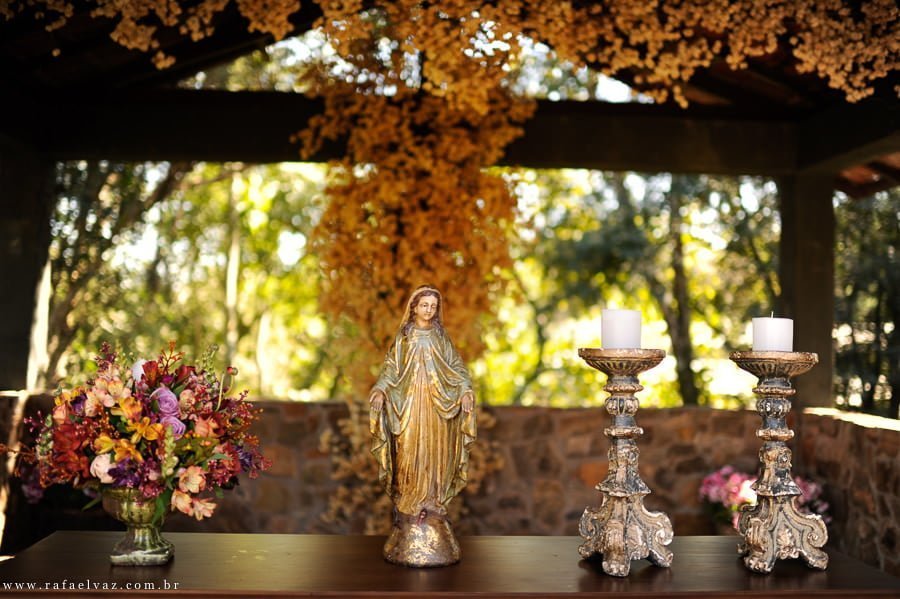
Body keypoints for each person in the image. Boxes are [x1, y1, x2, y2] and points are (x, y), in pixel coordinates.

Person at [369, 285, 476, 565]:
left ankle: (432, 505)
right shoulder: (404, 337)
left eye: (433, 306)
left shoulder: (441, 337)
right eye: (424, 305)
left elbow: (457, 368)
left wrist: (465, 391)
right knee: (409, 456)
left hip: (437, 410)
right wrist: (381, 390)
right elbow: (391, 369)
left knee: (435, 457)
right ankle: (410, 506)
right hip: (408, 409)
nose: (429, 310)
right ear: (414, 307)